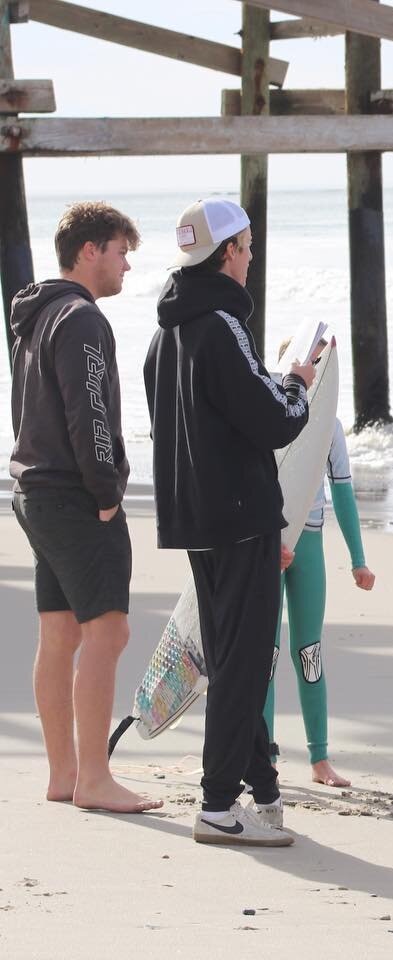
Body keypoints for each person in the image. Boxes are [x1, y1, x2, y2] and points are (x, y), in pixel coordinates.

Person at [145, 198, 314, 847]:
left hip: (193, 515)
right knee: (243, 663)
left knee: (229, 657)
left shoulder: (167, 332)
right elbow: (275, 419)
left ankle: (262, 790)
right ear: (226, 255)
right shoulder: (220, 324)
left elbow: (196, 420)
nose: (250, 257)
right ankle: (219, 804)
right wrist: (297, 381)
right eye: (245, 247)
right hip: (240, 517)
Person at [9, 202, 160, 815]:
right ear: (91, 250)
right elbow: (89, 409)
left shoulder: (36, 313)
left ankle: (64, 774)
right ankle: (94, 778)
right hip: (74, 495)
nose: (126, 266)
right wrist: (106, 491)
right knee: (109, 631)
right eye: (122, 252)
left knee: (61, 631)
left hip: (34, 490)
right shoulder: (80, 318)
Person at [264, 341, 376, 789]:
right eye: (310, 361)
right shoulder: (267, 408)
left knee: (308, 652)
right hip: (268, 543)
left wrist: (358, 559)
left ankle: (319, 758)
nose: (316, 370)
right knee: (264, 656)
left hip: (308, 543)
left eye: (322, 364)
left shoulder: (328, 425)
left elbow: (343, 491)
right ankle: (264, 754)